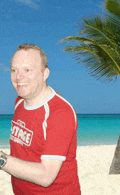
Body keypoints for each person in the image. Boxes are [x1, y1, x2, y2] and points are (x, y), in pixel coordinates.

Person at [0, 44, 81, 194]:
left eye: (27, 70)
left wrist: (1, 159)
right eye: (14, 70)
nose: (18, 77)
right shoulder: (19, 102)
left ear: (45, 74)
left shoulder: (60, 113)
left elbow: (46, 176)